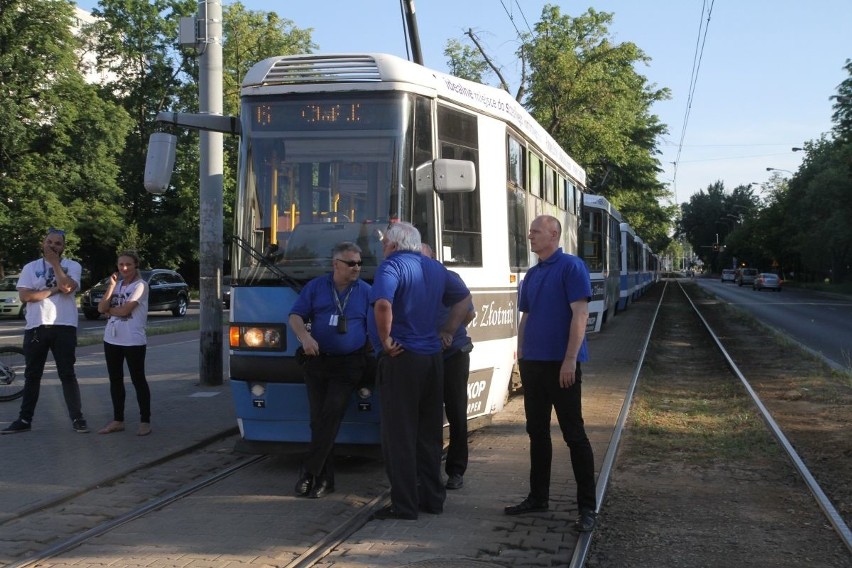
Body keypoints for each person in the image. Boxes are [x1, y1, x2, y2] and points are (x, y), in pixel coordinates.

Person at [369, 222, 471, 520]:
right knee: (429, 433)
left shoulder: (391, 267)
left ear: (395, 244)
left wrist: (386, 340)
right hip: (433, 359)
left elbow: (383, 305)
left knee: (399, 434)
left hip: (403, 357)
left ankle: (405, 505)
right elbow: (463, 298)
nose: (383, 244)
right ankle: (433, 499)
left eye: (385, 240)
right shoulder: (435, 268)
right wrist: (448, 330)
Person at [504, 214, 598, 533]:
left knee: (574, 435)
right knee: (537, 433)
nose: (529, 236)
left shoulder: (571, 267)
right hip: (534, 365)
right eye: (530, 231)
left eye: (535, 232)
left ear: (553, 235)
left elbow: (580, 314)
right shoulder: (532, 274)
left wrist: (570, 359)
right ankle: (538, 496)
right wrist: (520, 355)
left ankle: (587, 508)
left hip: (562, 365)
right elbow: (527, 317)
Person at [288, 242, 371, 499]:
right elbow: (295, 316)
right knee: (318, 421)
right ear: (336, 264)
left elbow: (376, 325)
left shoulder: (367, 291)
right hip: (317, 362)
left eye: (359, 263)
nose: (357, 267)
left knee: (330, 415)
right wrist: (305, 338)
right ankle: (325, 479)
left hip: (349, 364)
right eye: (351, 263)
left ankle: (308, 473)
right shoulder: (316, 287)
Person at [2, 228, 88, 434]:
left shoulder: (71, 265)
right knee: (33, 375)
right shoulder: (30, 267)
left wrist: (56, 265)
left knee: (67, 374)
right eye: (49, 242)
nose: (53, 246)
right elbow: (25, 297)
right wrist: (56, 289)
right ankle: (24, 419)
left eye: (58, 244)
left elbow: (69, 286)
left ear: (63, 247)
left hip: (64, 326)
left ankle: (77, 418)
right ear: (43, 243)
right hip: (36, 327)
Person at [421, 243, 474, 491]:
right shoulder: (412, 280)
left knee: (456, 413)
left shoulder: (449, 278)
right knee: (430, 416)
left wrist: (449, 331)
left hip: (453, 354)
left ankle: (456, 470)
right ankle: (430, 470)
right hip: (427, 355)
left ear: (433, 256)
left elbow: (469, 312)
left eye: (423, 257)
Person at [96, 251, 152, 436]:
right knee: (115, 380)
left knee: (138, 380)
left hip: (133, 340)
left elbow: (126, 310)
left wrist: (110, 311)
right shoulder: (117, 284)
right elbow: (100, 308)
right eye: (121, 265)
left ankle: (145, 421)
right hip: (111, 339)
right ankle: (118, 420)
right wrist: (111, 287)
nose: (124, 268)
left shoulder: (141, 286)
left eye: (128, 264)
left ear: (136, 265)